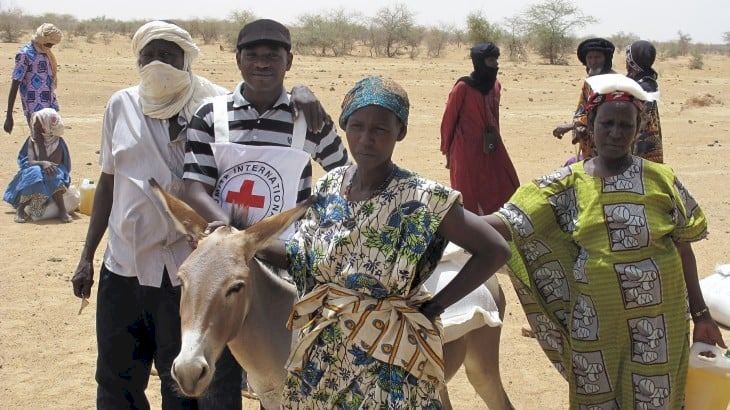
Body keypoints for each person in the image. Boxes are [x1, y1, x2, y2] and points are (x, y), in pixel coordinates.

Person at [251, 75, 510, 408]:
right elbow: (302, 256)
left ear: (400, 132)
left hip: (390, 355)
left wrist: (436, 306)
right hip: (326, 353)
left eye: (380, 129)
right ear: (344, 126)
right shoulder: (330, 185)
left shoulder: (422, 197)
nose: (366, 139)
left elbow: (495, 250)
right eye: (357, 127)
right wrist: (241, 240)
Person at [486, 74, 726, 408]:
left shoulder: (662, 179)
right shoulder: (565, 185)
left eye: (626, 125)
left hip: (661, 326)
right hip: (596, 328)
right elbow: (505, 222)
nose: (616, 133)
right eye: (607, 123)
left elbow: (684, 248)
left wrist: (701, 315)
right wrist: (442, 214)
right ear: (590, 125)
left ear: (638, 129)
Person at [182, 18, 349, 406]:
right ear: (238, 59)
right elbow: (195, 186)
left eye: (272, 55)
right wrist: (233, 239)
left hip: (288, 267)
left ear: (289, 61)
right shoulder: (210, 115)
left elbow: (344, 177)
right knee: (215, 379)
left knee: (284, 378)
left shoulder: (309, 118)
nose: (261, 63)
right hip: (224, 269)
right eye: (252, 54)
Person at [70, 21, 228, 409]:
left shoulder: (210, 109)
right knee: (116, 379)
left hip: (183, 275)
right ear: (138, 61)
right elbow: (108, 182)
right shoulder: (120, 105)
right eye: (149, 55)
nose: (157, 63)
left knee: (183, 384)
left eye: (167, 55)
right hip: (123, 267)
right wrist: (86, 256)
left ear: (186, 61)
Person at [440, 43, 519, 216]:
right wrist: (447, 150)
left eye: (496, 60)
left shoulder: (495, 86)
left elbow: (495, 116)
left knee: (504, 184)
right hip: (465, 148)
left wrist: (495, 141)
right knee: (467, 190)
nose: (496, 64)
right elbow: (449, 119)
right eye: (491, 60)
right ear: (480, 62)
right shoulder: (463, 87)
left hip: (490, 144)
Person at [553, 38, 616, 163]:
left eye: (597, 57)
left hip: (610, 144)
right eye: (589, 58)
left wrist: (572, 126)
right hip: (590, 146)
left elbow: (609, 117)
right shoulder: (589, 82)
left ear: (606, 59)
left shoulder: (614, 83)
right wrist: (577, 126)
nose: (593, 62)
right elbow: (582, 109)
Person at [4, 108, 71, 223]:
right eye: (34, 123)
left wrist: (45, 163)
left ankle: (62, 210)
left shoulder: (57, 142)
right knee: (34, 172)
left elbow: (53, 164)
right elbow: (31, 162)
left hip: (52, 175)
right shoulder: (32, 140)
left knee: (52, 173)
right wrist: (40, 147)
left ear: (46, 126)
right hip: (35, 172)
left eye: (38, 124)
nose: (34, 126)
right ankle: (20, 209)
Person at [5, 23, 62, 134]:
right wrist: (9, 116)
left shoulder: (46, 53)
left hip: (49, 104)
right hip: (34, 107)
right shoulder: (25, 54)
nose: (51, 46)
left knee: (51, 138)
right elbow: (15, 83)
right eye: (49, 44)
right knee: (39, 139)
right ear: (42, 40)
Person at [626, 40, 663, 163]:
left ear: (632, 62)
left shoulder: (642, 87)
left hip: (640, 145)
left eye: (628, 59)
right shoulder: (647, 82)